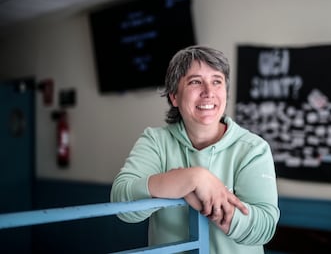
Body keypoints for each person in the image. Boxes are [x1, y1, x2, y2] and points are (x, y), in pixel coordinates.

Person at [110, 45, 280, 254]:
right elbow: (121, 203)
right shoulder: (155, 141)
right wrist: (193, 178)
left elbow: (263, 229)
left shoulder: (253, 148)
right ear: (174, 96)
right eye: (195, 82)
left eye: (217, 81)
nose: (208, 92)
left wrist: (199, 198)